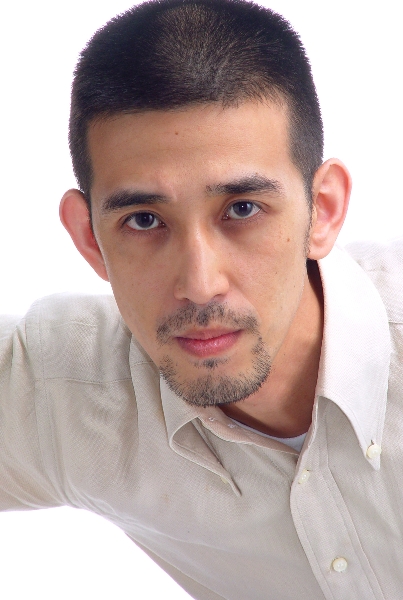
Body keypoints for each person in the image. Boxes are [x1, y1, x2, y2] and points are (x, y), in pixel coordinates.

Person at [1, 0, 402, 598]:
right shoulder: (65, 398)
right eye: (143, 220)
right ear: (89, 238)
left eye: (243, 209)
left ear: (323, 211)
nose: (200, 283)